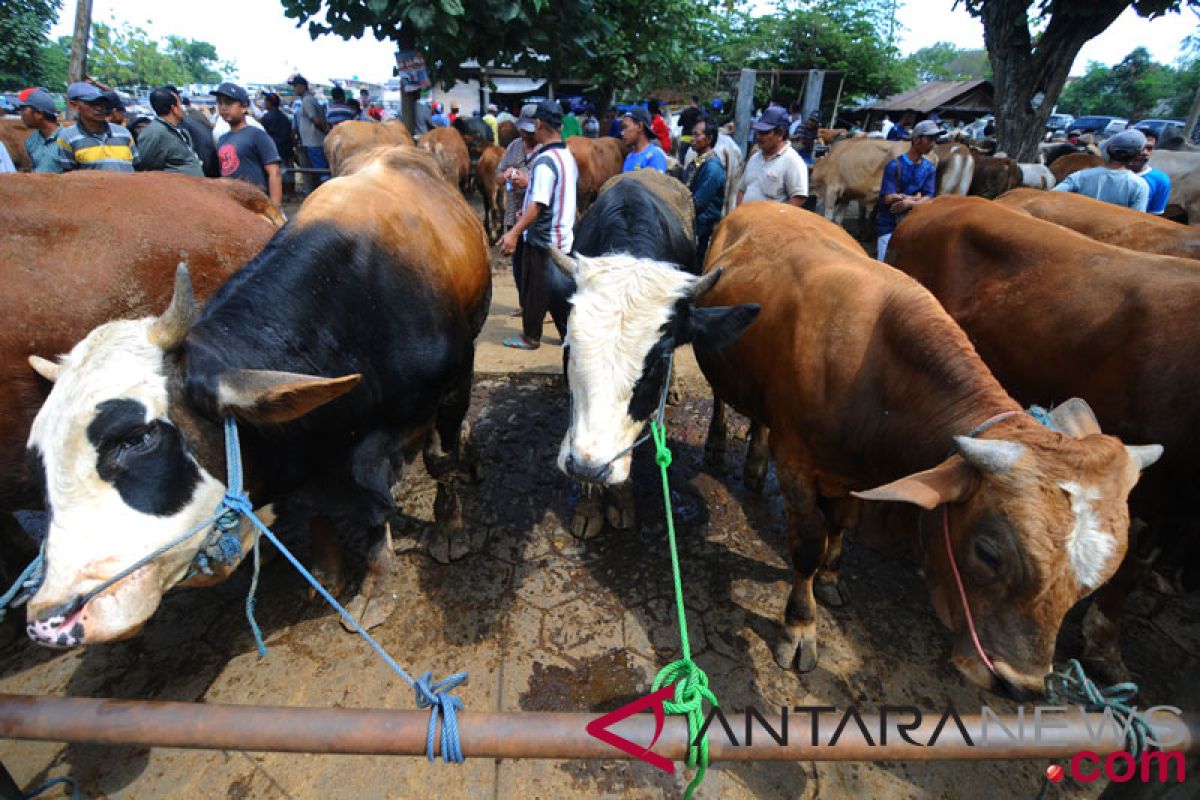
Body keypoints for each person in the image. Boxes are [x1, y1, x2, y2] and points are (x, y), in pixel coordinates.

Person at [498, 99, 578, 351]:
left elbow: (538, 205)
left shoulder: (544, 162)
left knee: (536, 289)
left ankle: (531, 337)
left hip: (543, 238)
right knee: (557, 291)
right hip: (562, 235)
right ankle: (568, 336)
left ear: (539, 123)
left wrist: (513, 232)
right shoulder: (566, 156)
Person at [496, 104, 541, 315]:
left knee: (537, 265)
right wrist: (505, 176)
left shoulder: (546, 151)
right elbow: (497, 175)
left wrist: (527, 182)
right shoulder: (514, 146)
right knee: (518, 264)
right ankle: (525, 304)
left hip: (535, 216)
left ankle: (543, 308)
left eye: (529, 130)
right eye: (522, 129)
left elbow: (549, 185)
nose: (525, 134)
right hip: (514, 212)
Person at [876, 119, 941, 261]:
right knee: (885, 265)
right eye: (929, 139)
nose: (932, 144)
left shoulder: (929, 168)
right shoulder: (894, 165)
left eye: (934, 140)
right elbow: (887, 197)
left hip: (915, 226)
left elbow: (929, 197)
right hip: (889, 226)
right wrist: (915, 198)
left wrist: (909, 203)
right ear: (917, 139)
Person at [213, 82, 282, 209]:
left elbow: (274, 172)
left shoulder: (257, 135)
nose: (223, 107)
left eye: (228, 103)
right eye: (220, 102)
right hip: (232, 203)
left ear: (244, 107)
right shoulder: (222, 139)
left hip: (256, 202)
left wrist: (274, 208)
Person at [1053, 128, 1149, 213]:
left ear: (1108, 149)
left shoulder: (1079, 176)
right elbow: (1136, 219)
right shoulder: (1139, 186)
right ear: (1137, 155)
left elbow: (1049, 197)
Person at [736, 106, 808, 208]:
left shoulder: (793, 161)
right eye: (758, 132)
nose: (759, 136)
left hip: (770, 223)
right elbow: (742, 190)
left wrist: (777, 220)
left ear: (781, 134)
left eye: (765, 133)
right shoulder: (754, 157)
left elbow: (799, 198)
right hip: (746, 222)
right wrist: (739, 213)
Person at [57, 82, 137, 172]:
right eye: (92, 103)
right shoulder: (68, 137)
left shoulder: (124, 133)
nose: (100, 108)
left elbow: (137, 168)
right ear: (75, 105)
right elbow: (69, 175)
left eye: (102, 103)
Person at [685, 119, 726, 270]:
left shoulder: (713, 168)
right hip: (694, 225)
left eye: (696, 135)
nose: (692, 139)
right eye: (692, 135)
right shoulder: (697, 162)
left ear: (708, 139)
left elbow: (698, 202)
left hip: (702, 230)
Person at [136, 87, 204, 176]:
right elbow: (150, 169)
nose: (182, 108)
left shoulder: (178, 131)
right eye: (180, 104)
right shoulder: (154, 133)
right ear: (174, 108)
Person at [288, 74, 329, 184]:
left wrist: (325, 131)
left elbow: (315, 120)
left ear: (302, 87)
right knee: (318, 172)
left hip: (314, 141)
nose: (294, 89)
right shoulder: (309, 99)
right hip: (313, 141)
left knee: (322, 172)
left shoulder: (307, 100)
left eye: (295, 86)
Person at [16, 88, 62, 173]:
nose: (21, 114)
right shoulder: (31, 141)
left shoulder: (69, 139)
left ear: (39, 113)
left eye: (23, 109)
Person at [1132, 127, 1171, 216]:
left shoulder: (1160, 180)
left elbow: (1154, 216)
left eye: (1149, 148)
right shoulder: (1110, 174)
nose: (1145, 152)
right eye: (1141, 147)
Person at [620, 107, 667, 174]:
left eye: (626, 127)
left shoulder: (655, 156)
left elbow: (656, 184)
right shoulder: (629, 156)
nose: (622, 133)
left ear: (639, 126)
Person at [260, 92, 294, 167]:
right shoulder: (284, 117)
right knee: (289, 174)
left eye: (265, 101)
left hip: (274, 152)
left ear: (269, 103)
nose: (264, 103)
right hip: (287, 151)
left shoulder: (266, 118)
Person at [676, 95, 702, 161]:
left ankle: (682, 170)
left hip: (685, 138)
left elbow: (679, 124)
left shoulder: (685, 112)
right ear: (698, 102)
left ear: (691, 101)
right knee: (697, 159)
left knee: (681, 160)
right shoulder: (701, 113)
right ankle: (696, 171)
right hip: (696, 140)